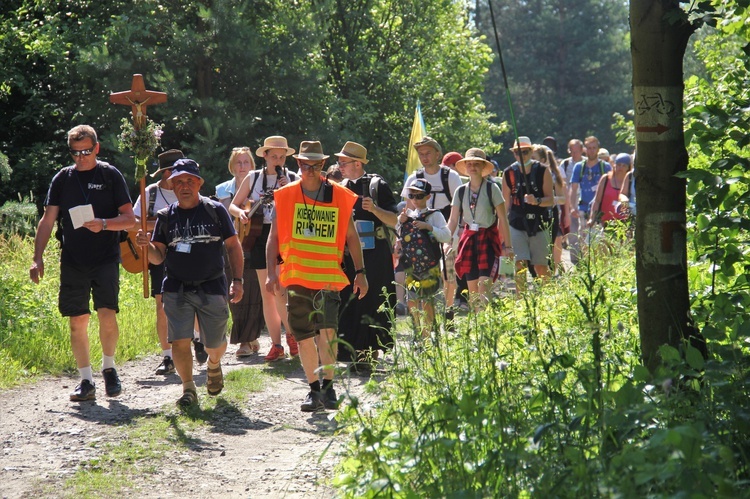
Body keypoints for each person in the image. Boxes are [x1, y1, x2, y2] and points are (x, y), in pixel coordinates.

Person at [30, 125, 135, 401]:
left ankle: (109, 367)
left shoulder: (110, 175)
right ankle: (86, 380)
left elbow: (130, 219)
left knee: (106, 313)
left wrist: (103, 224)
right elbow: (48, 220)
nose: (81, 157)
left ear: (97, 148)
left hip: (105, 257)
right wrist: (37, 257)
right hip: (73, 259)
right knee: (77, 320)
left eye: (87, 151)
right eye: (75, 153)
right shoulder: (62, 179)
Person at [265, 141, 367, 412]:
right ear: (298, 164)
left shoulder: (341, 195)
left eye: (316, 165)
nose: (310, 170)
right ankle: (313, 390)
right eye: (305, 164)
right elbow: (273, 237)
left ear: (323, 165)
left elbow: (352, 237)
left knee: (328, 332)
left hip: (328, 278)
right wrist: (272, 273)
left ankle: (329, 388)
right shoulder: (285, 195)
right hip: (297, 276)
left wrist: (360, 272)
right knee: (305, 336)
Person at [136, 159, 244, 407]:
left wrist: (237, 280)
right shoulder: (165, 217)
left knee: (214, 344)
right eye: (179, 182)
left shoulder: (216, 210)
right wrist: (147, 246)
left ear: (199, 183)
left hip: (212, 285)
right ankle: (188, 389)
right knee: (180, 340)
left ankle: (214, 364)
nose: (185, 186)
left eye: (190, 181)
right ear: (172, 186)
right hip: (176, 287)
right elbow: (158, 256)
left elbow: (233, 247)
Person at [229, 136, 299, 362]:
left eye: (282, 157)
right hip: (258, 236)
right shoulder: (252, 178)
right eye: (274, 156)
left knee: (280, 290)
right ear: (265, 156)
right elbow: (233, 205)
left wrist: (287, 190)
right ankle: (277, 344)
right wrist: (240, 213)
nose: (278, 160)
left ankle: (292, 337)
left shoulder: (293, 178)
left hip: (284, 236)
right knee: (267, 293)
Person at [335, 141, 398, 369]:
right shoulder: (339, 187)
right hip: (347, 255)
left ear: (358, 163)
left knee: (371, 301)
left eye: (344, 162)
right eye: (339, 162)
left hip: (375, 255)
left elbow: (395, 219)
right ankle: (348, 350)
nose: (339, 166)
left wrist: (375, 209)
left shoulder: (376, 185)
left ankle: (368, 354)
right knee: (348, 301)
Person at [132, 149, 182, 375]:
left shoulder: (187, 189)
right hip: (158, 252)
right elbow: (134, 222)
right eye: (172, 172)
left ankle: (199, 340)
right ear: (165, 173)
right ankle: (167, 356)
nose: (175, 176)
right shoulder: (150, 193)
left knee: (194, 297)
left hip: (186, 253)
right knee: (162, 306)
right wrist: (157, 226)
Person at [402, 137, 463, 313]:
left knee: (447, 273)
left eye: (428, 153)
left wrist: (449, 238)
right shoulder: (415, 177)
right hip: (420, 235)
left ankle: (449, 309)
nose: (424, 157)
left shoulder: (450, 176)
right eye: (421, 154)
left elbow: (457, 210)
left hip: (446, 228)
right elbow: (408, 208)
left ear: (438, 154)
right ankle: (426, 311)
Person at [447, 148, 513, 310]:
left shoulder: (492, 189)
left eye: (477, 164)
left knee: (484, 288)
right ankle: (480, 331)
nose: (473, 167)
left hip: (488, 241)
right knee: (473, 292)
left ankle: (486, 324)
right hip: (468, 241)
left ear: (483, 167)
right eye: (469, 164)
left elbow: (503, 218)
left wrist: (509, 246)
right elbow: (454, 219)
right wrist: (447, 241)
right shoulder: (461, 191)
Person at [216, 147, 265, 358]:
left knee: (254, 291)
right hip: (230, 246)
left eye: (246, 162)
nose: (242, 166)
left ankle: (247, 339)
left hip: (253, 243)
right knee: (235, 291)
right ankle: (246, 337)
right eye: (239, 162)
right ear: (231, 166)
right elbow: (223, 216)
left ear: (252, 165)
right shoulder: (222, 190)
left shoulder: (258, 187)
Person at [395, 179, 451, 337]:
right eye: (411, 195)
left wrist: (429, 227)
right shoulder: (407, 215)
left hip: (430, 266)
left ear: (427, 197)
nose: (415, 199)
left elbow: (446, 236)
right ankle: (418, 332)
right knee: (412, 300)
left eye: (419, 196)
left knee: (427, 302)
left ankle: (428, 335)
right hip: (411, 266)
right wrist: (401, 222)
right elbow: (398, 235)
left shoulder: (435, 215)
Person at [501, 137, 554, 291]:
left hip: (539, 224)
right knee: (519, 265)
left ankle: (548, 298)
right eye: (517, 153)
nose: (521, 155)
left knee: (541, 267)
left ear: (531, 151)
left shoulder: (543, 171)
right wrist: (502, 231)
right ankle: (521, 300)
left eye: (524, 152)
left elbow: (550, 200)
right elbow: (505, 204)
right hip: (516, 224)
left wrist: (537, 200)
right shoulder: (508, 173)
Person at [569, 136, 611, 265]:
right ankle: (586, 266)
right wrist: (572, 206)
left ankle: (600, 265)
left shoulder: (606, 167)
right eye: (589, 148)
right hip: (584, 208)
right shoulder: (579, 167)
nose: (592, 151)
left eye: (594, 148)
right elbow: (574, 188)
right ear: (585, 150)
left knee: (601, 240)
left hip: (601, 210)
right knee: (584, 239)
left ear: (598, 149)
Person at [532, 144, 570, 273]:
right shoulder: (525, 175)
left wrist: (549, 200)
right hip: (532, 217)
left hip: (549, 216)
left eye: (533, 157)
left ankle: (553, 272)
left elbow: (562, 198)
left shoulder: (553, 175)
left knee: (552, 246)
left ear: (542, 160)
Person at [589, 152, 631, 228]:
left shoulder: (630, 182)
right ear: (614, 165)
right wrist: (592, 218)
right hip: (604, 223)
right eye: (618, 165)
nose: (620, 168)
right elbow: (597, 201)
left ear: (628, 168)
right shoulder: (606, 179)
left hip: (623, 225)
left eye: (624, 166)